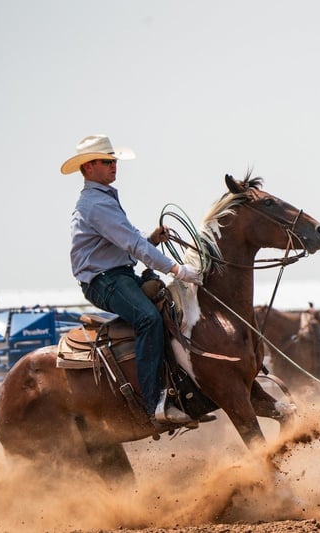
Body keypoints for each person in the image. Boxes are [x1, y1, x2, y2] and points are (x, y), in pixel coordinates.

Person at [61, 134, 202, 427]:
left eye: (113, 160)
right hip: (104, 280)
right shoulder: (95, 205)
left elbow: (131, 239)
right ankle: (154, 405)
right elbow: (132, 244)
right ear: (88, 167)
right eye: (106, 161)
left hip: (117, 275)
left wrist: (152, 238)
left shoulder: (102, 200)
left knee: (168, 311)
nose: (114, 165)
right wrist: (177, 269)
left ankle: (179, 389)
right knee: (148, 319)